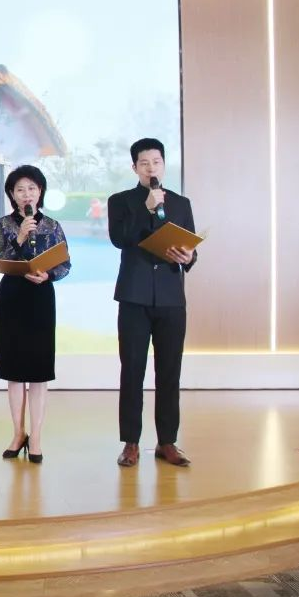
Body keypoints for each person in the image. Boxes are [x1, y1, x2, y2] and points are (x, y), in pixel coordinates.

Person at [108, 138, 197, 468]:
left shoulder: (181, 203)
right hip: (134, 296)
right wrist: (146, 208)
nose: (151, 168)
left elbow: (190, 247)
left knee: (170, 371)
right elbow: (120, 239)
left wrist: (189, 257)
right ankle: (131, 442)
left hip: (171, 298)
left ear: (164, 164)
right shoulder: (121, 201)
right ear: (135, 168)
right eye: (144, 163)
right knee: (132, 370)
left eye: (156, 162)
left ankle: (167, 442)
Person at [0, 165, 71, 464]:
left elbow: (65, 264)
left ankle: (35, 437)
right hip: (12, 296)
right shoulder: (3, 224)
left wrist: (49, 275)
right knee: (13, 371)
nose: (27, 194)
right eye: (20, 189)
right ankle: (18, 433)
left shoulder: (52, 225)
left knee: (38, 371)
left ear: (40, 192)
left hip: (40, 297)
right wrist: (21, 237)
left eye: (32, 188)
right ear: (12, 194)